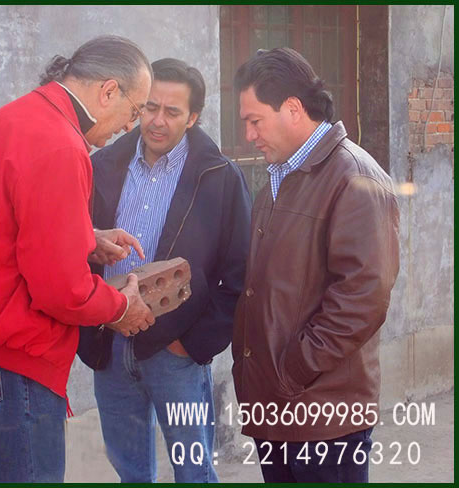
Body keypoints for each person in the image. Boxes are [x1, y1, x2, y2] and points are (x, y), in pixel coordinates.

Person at [0, 35, 156, 483]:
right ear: (109, 91)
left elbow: (0, 222)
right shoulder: (61, 144)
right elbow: (64, 293)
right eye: (134, 112)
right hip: (8, 366)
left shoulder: (14, 116)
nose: (130, 127)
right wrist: (121, 308)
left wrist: (84, 236)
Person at [78, 58, 252, 483]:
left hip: (176, 353)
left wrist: (192, 345)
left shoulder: (220, 177)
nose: (157, 121)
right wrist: (94, 323)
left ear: (193, 117)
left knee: (194, 472)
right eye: (150, 107)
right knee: (130, 473)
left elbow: (241, 274)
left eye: (172, 112)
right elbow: (77, 245)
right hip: (111, 344)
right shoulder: (102, 165)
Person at [231, 47, 400, 483]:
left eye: (255, 121)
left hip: (324, 412)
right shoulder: (278, 178)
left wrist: (294, 370)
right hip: (276, 405)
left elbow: (364, 297)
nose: (249, 135)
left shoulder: (354, 178)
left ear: (292, 108)